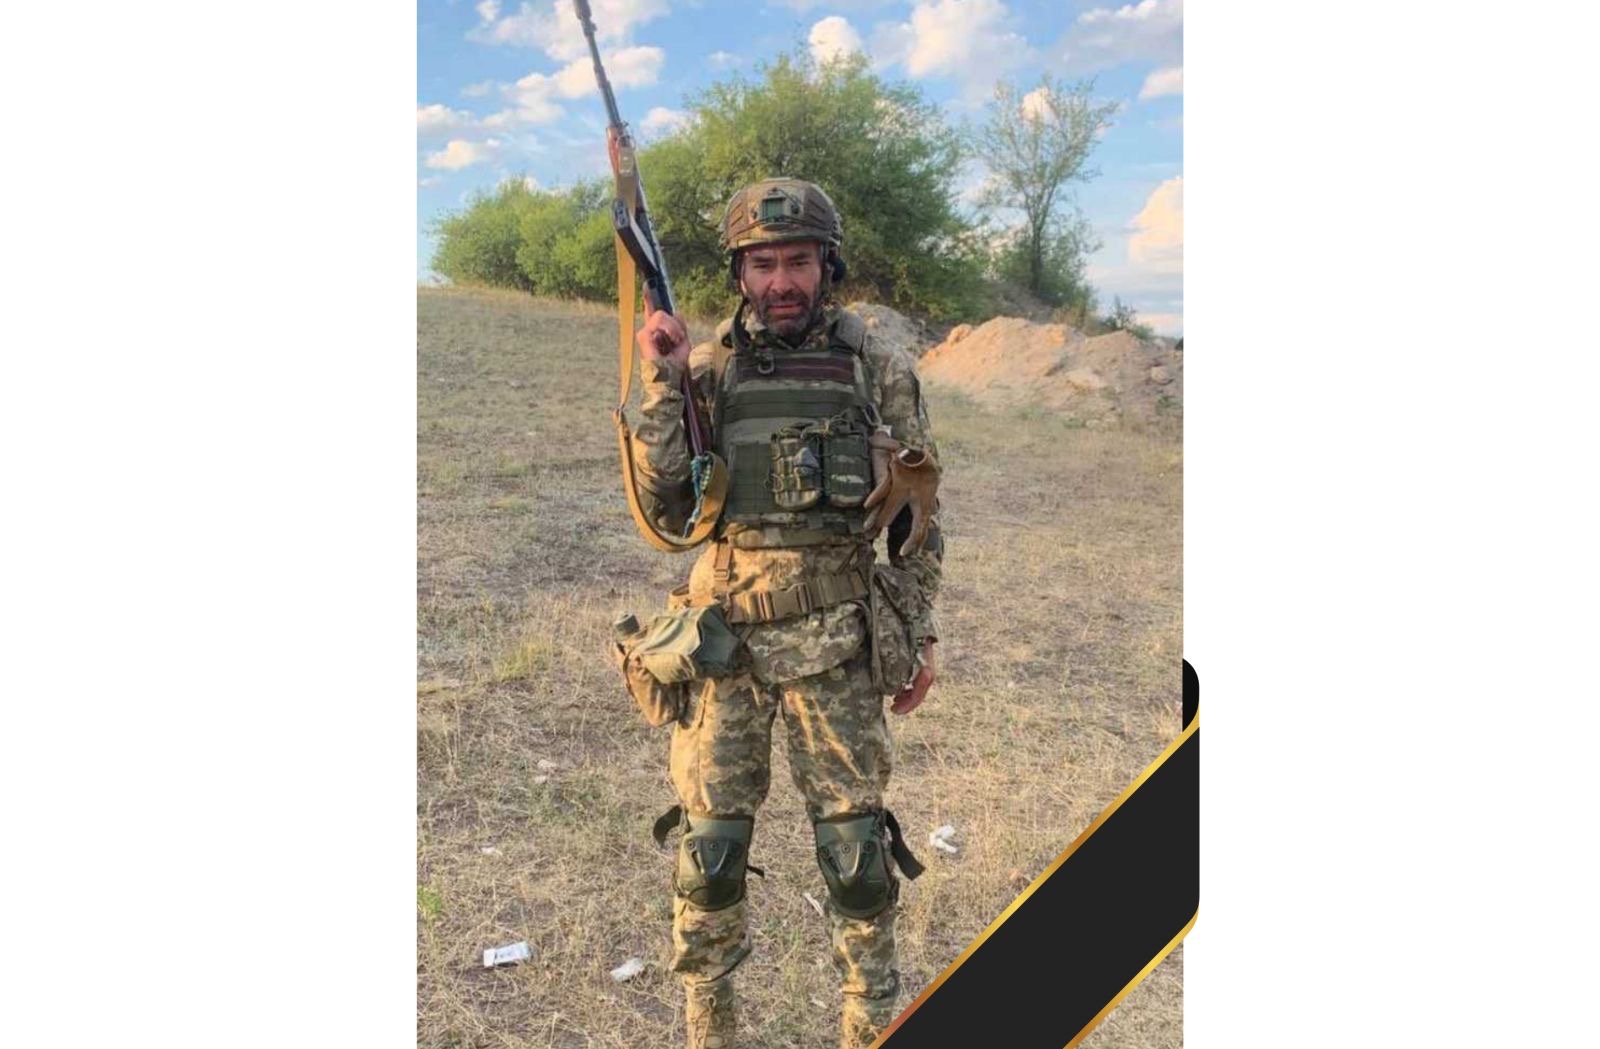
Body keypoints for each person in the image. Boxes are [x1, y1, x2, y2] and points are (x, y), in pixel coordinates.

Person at [628, 177, 943, 1049]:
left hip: (836, 648)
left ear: (826, 264)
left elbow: (920, 518)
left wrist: (917, 631)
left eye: (797, 261)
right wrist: (661, 378)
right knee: (710, 856)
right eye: (763, 264)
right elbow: (664, 504)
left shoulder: (875, 367)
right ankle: (709, 1031)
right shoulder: (706, 368)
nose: (781, 281)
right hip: (723, 649)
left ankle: (869, 1027)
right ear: (740, 272)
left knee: (857, 861)